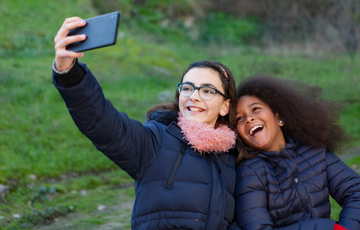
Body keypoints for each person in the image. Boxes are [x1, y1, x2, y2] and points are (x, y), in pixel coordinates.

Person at [52, 17, 239, 229]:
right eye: (187, 88)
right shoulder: (155, 141)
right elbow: (102, 123)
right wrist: (69, 73)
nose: (194, 96)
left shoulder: (236, 157)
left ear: (225, 106)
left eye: (207, 91)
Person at [233, 75, 360, 230]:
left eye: (255, 109)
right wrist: (323, 227)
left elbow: (356, 192)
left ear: (279, 118)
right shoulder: (250, 172)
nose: (248, 119)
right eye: (239, 118)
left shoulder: (313, 151)